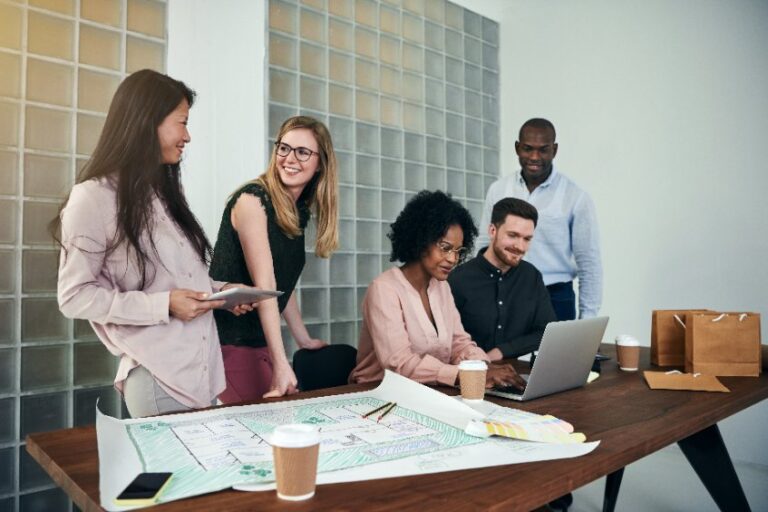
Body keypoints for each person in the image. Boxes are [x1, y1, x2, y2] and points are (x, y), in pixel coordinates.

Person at [54, 69, 252, 418]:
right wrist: (164, 306)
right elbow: (73, 297)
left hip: (199, 375)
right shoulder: (93, 198)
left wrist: (221, 293)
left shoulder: (163, 196)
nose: (187, 136)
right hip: (161, 380)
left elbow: (172, 280)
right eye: (182, 122)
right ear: (149, 122)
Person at [210, 116, 339, 402]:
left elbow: (283, 283)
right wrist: (282, 364)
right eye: (284, 148)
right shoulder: (252, 201)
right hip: (230, 344)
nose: (290, 159)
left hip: (260, 344)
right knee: (261, 437)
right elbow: (267, 285)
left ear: (321, 163)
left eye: (303, 152)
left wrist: (302, 338)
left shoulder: (296, 211)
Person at [349, 190, 524, 390]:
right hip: (376, 393)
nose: (453, 259)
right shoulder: (384, 289)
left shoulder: (441, 287)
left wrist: (483, 368)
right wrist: (467, 375)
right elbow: (400, 364)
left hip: (426, 391)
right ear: (421, 240)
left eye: (458, 251)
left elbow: (460, 343)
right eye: (445, 247)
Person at [477, 118, 602, 321]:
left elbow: (589, 262)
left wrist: (588, 320)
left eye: (543, 150)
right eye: (527, 148)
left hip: (556, 297)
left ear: (555, 150)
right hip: (504, 292)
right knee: (504, 353)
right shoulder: (498, 189)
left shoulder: (576, 196)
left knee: (559, 354)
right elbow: (483, 244)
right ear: (517, 148)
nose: (534, 157)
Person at [449, 198, 556, 360]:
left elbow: (547, 332)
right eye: (513, 235)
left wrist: (499, 352)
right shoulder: (458, 280)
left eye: (527, 239)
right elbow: (445, 340)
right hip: (471, 376)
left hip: (520, 375)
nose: (520, 247)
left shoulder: (531, 276)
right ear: (492, 231)